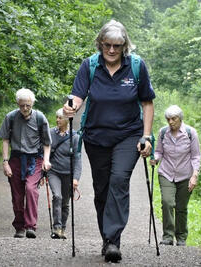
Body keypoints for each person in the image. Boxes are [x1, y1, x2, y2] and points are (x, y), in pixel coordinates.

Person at [63, 20, 155, 262]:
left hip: (129, 134)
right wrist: (70, 107)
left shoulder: (136, 66)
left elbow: (147, 102)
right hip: (96, 136)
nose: (112, 50)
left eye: (117, 45)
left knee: (118, 180)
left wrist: (146, 136)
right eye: (107, 45)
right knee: (101, 188)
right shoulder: (90, 66)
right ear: (100, 44)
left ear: (124, 46)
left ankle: (114, 240)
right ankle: (107, 238)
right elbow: (78, 96)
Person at [0, 88, 52, 238]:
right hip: (16, 159)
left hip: (35, 159)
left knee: (30, 189)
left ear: (32, 103)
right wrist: (5, 162)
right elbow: (5, 140)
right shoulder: (11, 117)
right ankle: (19, 227)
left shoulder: (40, 118)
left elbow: (47, 143)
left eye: (28, 105)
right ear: (17, 103)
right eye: (22, 105)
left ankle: (30, 226)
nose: (25, 108)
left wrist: (46, 160)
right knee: (17, 195)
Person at [150, 105, 200, 246]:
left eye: (173, 119)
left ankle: (181, 237)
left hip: (185, 175)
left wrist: (194, 175)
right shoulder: (163, 132)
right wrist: (155, 158)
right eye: (168, 119)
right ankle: (167, 236)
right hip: (166, 173)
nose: (170, 122)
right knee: (167, 202)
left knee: (181, 207)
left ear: (180, 118)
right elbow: (159, 151)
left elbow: (196, 156)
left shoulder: (191, 133)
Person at [48, 108, 82, 239]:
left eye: (60, 118)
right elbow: (44, 152)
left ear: (67, 120)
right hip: (54, 171)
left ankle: (62, 228)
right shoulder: (50, 133)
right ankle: (56, 228)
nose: (57, 120)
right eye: (56, 117)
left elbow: (77, 159)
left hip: (68, 173)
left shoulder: (75, 137)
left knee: (65, 203)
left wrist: (76, 178)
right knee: (57, 196)